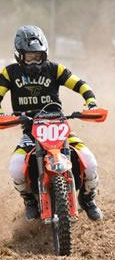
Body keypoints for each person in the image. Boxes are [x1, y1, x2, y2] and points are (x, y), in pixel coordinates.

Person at [0, 25, 102, 221]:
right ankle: (29, 200)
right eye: (29, 56)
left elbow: (80, 84)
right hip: (31, 132)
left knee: (89, 162)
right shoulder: (9, 73)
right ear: (19, 55)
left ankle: (88, 198)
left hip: (60, 129)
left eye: (38, 56)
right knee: (15, 168)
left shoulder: (55, 69)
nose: (34, 61)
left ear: (45, 53)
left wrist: (91, 102)